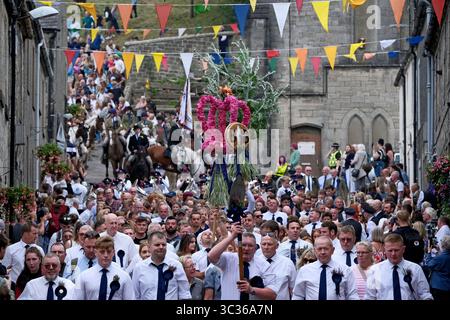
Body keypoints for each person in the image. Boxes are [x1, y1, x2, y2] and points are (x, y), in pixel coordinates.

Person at [208, 224, 279, 300]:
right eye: (243, 245)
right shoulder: (228, 259)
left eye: (250, 246)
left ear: (256, 248)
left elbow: (273, 294)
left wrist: (251, 290)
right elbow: (211, 256)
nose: (246, 248)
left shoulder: (264, 265)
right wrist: (232, 236)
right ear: (238, 247)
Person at [365, 233, 433, 300]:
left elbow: (424, 294)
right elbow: (370, 296)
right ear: (384, 250)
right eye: (390, 250)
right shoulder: (374, 270)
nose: (393, 254)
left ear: (403, 249)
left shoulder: (415, 269)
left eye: (396, 250)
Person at [292, 236, 359, 300]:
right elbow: (298, 295)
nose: (323, 252)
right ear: (315, 251)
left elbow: (352, 295)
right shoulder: (305, 271)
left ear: (333, 250)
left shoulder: (345, 270)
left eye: (326, 248)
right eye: (319, 249)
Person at [132, 231, 191, 300]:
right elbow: (135, 294)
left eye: (163, 244)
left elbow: (184, 293)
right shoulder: (139, 267)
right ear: (149, 247)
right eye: (157, 245)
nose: (161, 247)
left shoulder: (176, 265)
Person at [75, 236, 135, 300]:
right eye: (102, 252)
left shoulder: (124, 276)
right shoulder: (84, 276)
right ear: (96, 252)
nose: (106, 255)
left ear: (113, 252)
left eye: (109, 252)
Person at [2, 223, 44, 291]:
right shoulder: (11, 249)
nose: (37, 236)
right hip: (15, 287)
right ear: (25, 233)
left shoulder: (39, 250)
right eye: (34, 233)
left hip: (36, 287)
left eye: (37, 234)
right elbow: (4, 269)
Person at [260, 233, 297, 300]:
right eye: (263, 244)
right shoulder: (256, 262)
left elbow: (293, 288)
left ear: (277, 246)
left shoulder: (287, 263)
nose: (266, 247)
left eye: (269, 244)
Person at [424, 235, 450, 300]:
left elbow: (428, 264)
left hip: (438, 286)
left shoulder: (440, 258)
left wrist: (429, 253)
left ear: (443, 245)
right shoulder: (443, 256)